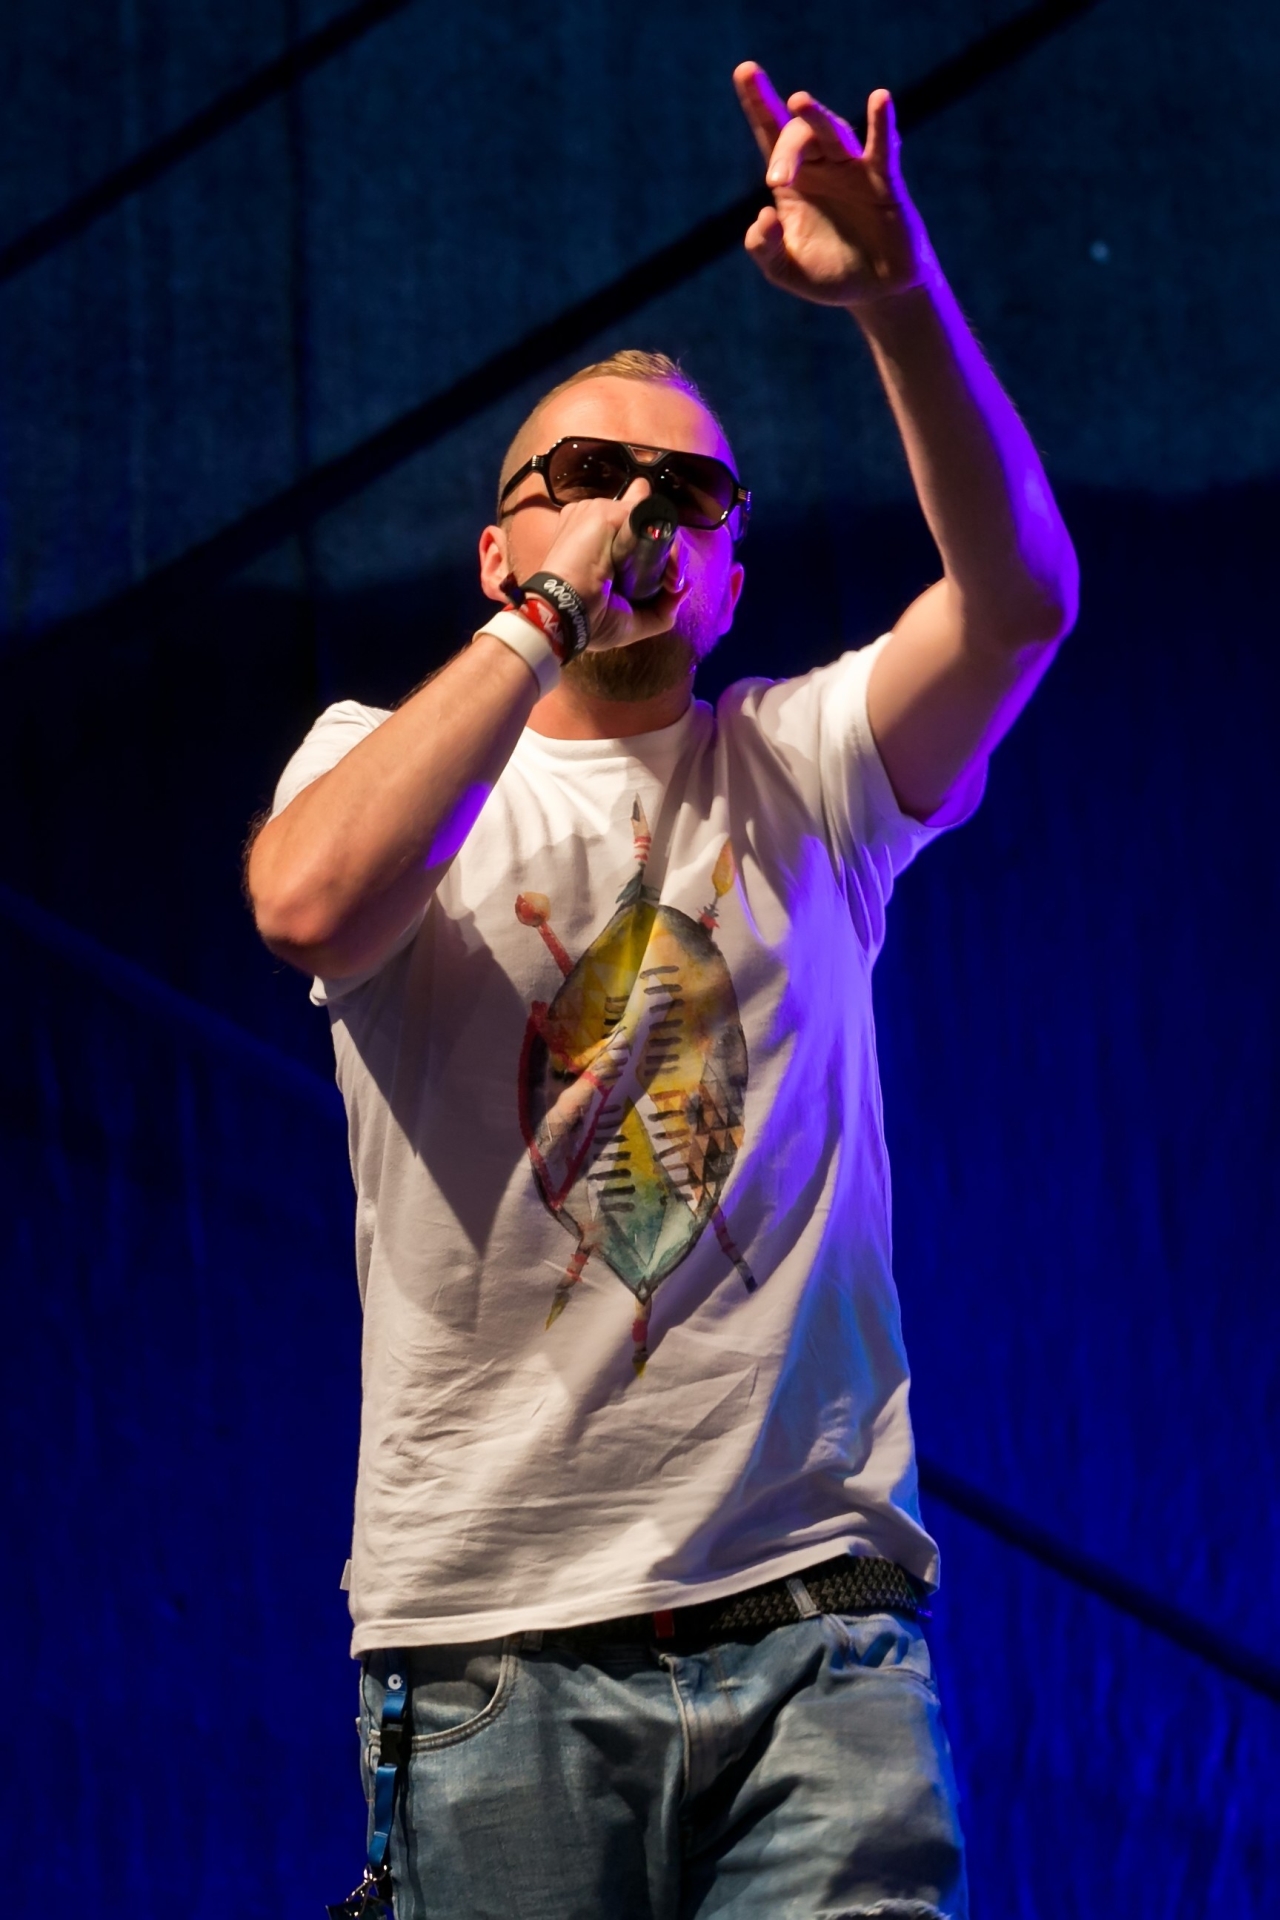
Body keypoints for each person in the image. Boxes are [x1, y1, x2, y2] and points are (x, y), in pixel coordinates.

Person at [248, 60, 1076, 1920]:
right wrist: (547, 618)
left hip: (816, 1632)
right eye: (588, 479)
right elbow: (305, 904)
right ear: (496, 546)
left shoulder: (808, 768)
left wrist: (899, 298)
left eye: (685, 490)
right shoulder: (379, 757)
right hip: (496, 1644)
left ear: (728, 567)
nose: (639, 507)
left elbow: (1020, 599)